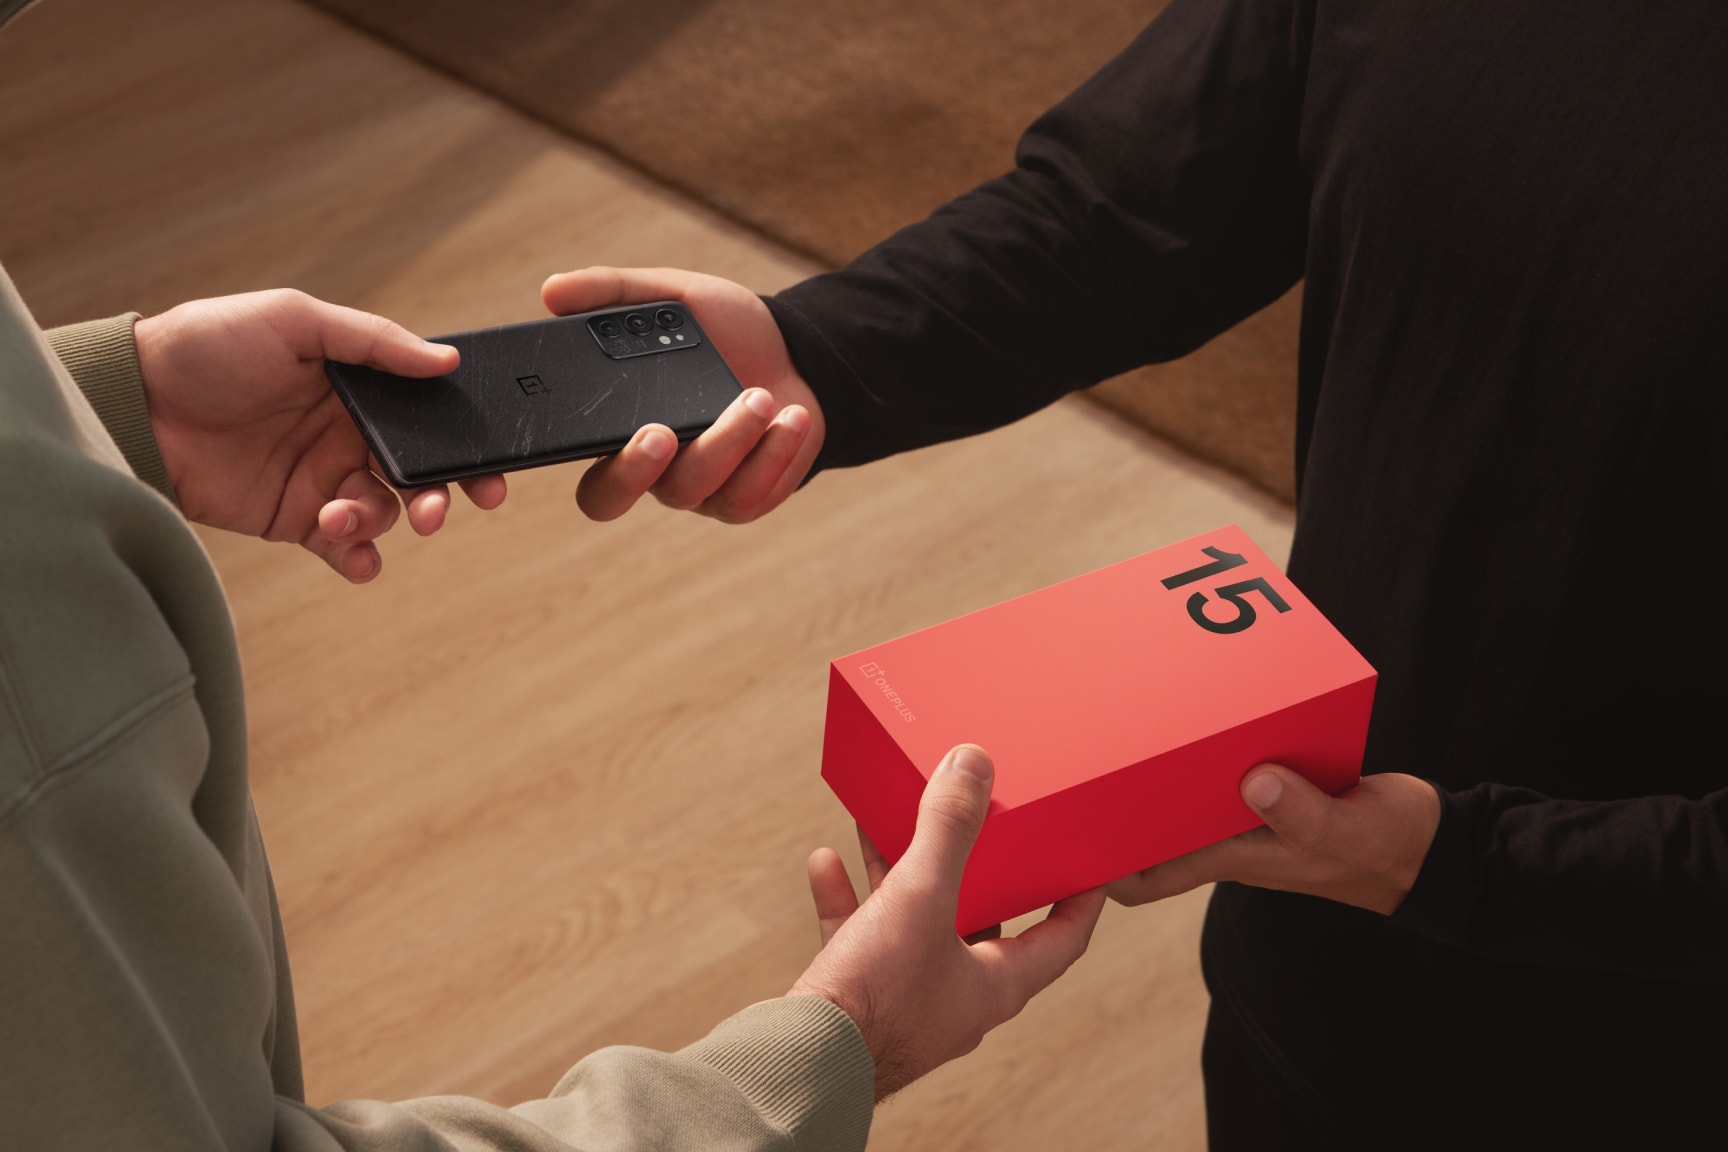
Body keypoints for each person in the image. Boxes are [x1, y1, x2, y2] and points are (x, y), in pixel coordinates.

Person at [540, 0, 1728, 1146]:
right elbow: (1126, 213)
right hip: (1322, 945)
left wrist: (1465, 865)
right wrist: (824, 350)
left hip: (1644, 1036)